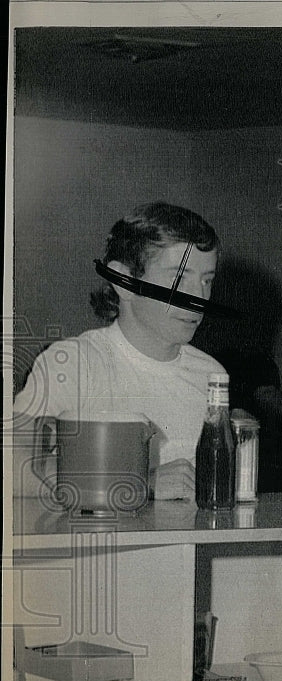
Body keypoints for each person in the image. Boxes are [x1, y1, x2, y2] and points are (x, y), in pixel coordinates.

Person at [12, 202, 225, 500]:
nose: (198, 298)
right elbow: (11, 468)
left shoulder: (212, 376)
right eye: (179, 278)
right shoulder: (73, 363)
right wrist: (138, 484)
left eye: (207, 280)